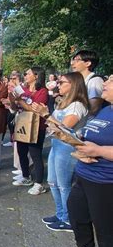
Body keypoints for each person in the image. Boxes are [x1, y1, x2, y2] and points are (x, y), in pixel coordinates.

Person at [58, 76, 113, 247]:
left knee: (106, 226)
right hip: (85, 174)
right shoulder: (106, 109)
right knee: (76, 210)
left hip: (105, 181)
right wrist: (80, 148)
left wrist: (98, 151)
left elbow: (100, 146)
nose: (105, 83)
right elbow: (89, 135)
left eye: (111, 80)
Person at [31, 72, 89, 232]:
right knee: (53, 182)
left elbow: (65, 127)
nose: (58, 85)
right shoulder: (64, 102)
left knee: (64, 185)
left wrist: (46, 115)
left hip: (67, 147)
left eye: (62, 82)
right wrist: (44, 114)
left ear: (74, 85)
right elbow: (55, 125)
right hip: (57, 144)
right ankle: (60, 214)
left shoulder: (78, 105)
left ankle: (69, 219)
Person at [10, 67, 49, 195]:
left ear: (36, 76)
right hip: (22, 123)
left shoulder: (42, 92)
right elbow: (15, 106)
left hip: (36, 127)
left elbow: (35, 109)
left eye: (28, 73)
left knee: (35, 154)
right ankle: (26, 176)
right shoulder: (24, 90)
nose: (25, 75)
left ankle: (39, 183)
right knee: (21, 151)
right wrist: (13, 99)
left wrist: (20, 100)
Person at [70, 50, 104, 116]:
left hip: (86, 123)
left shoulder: (95, 81)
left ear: (88, 63)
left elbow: (93, 108)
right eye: (73, 60)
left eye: (77, 60)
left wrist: (75, 119)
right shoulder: (79, 81)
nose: (72, 63)